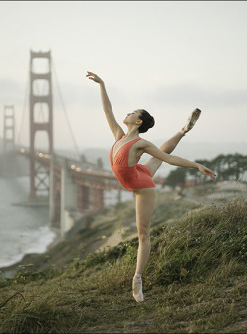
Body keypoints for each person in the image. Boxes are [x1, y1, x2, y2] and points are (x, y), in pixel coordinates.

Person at [86, 71, 216, 303]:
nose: (128, 112)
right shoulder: (119, 136)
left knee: (143, 235)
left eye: (133, 112)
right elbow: (108, 110)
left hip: (142, 185)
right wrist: (102, 84)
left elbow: (170, 160)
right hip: (139, 171)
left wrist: (197, 165)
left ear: (138, 122)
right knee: (162, 152)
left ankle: (137, 280)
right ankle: (183, 130)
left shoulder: (141, 143)